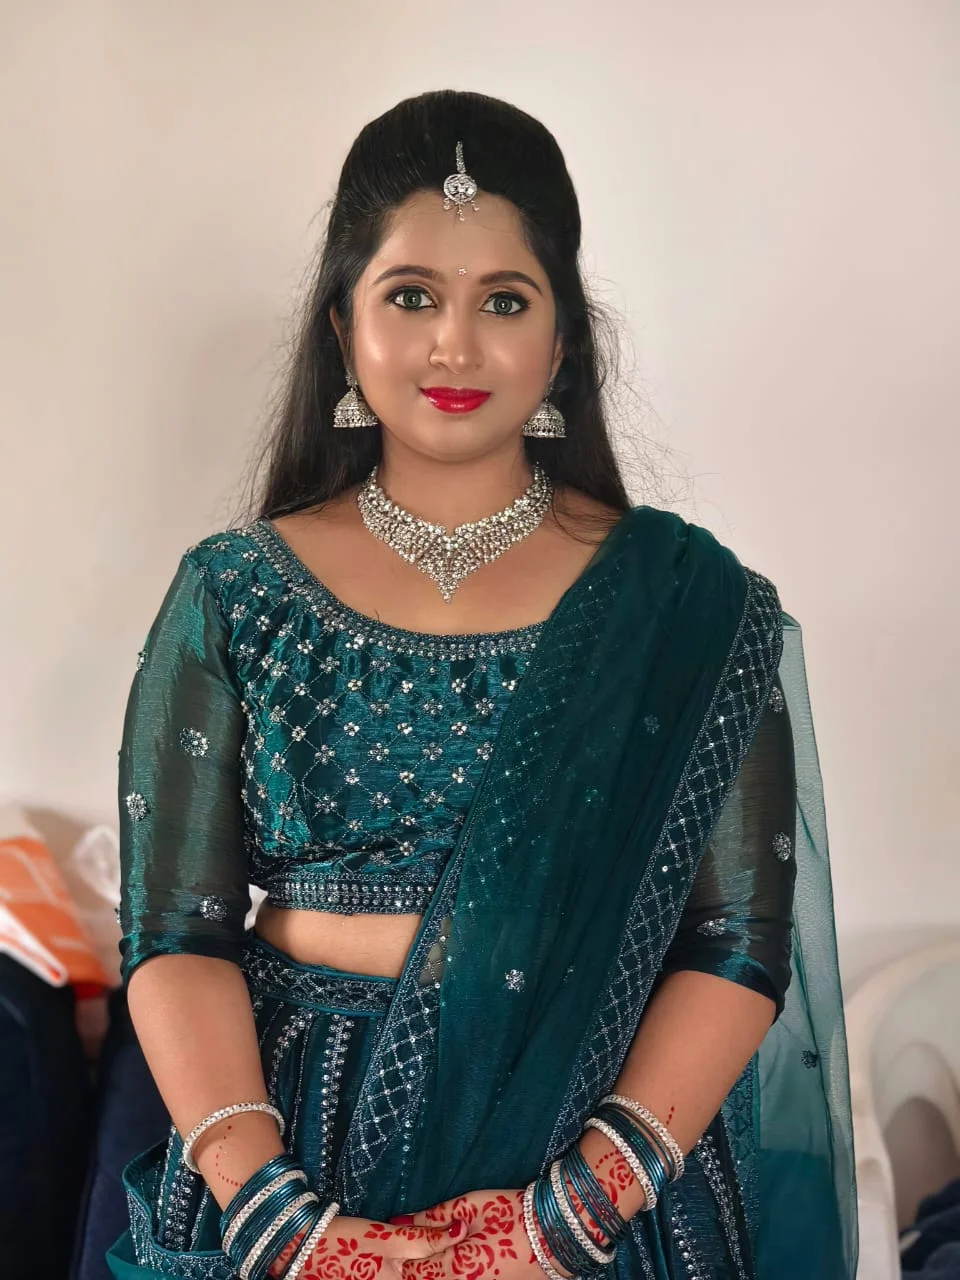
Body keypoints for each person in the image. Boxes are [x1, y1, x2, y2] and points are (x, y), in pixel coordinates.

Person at [107, 89, 858, 1280]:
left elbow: (734, 944)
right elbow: (174, 933)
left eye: (503, 300)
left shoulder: (688, 610)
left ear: (561, 343)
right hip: (291, 1149)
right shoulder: (235, 591)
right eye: (411, 296)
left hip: (596, 1153)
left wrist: (563, 1219)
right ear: (344, 327)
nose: (454, 345)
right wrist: (279, 1219)